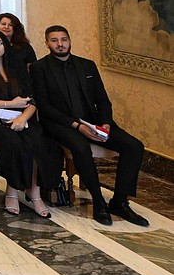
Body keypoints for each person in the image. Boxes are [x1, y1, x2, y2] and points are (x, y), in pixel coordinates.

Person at [32, 26, 147, 226]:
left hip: (93, 121)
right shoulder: (39, 68)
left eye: (64, 39)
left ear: (69, 40)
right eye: (54, 40)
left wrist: (105, 124)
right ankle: (99, 201)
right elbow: (45, 107)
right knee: (80, 147)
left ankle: (119, 201)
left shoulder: (87, 65)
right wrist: (76, 126)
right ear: (47, 43)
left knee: (134, 147)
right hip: (61, 124)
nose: (60, 44)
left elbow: (102, 99)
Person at [0, 30, 53, 218]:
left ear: (5, 46)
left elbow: (32, 100)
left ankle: (35, 193)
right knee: (13, 142)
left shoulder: (18, 69)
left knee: (38, 141)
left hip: (20, 117)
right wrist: (10, 104)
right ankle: (12, 191)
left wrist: (22, 118)